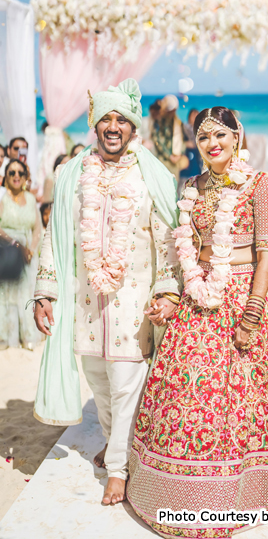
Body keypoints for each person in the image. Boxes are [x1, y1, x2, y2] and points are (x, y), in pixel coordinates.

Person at [126, 106, 268, 536]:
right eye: (204, 137)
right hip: (200, 293)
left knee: (250, 393)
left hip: (244, 291)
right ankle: (177, 490)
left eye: (221, 136)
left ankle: (245, 485)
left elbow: (267, 252)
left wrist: (254, 307)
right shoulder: (191, 187)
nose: (213, 144)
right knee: (187, 386)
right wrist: (174, 295)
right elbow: (184, 253)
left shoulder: (258, 184)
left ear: (237, 138)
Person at [32, 78, 181, 505]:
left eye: (122, 120)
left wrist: (168, 291)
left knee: (126, 382)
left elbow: (168, 237)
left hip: (132, 301)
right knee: (98, 380)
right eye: (105, 119)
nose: (113, 127)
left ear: (134, 128)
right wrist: (45, 292)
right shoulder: (72, 174)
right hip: (86, 302)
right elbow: (54, 236)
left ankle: (119, 467)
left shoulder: (151, 174)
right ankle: (121, 442)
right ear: (95, 126)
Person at [0, 160, 42, 349]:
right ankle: (7, 337)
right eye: (11, 172)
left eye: (20, 172)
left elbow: (37, 228)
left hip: (28, 254)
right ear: (6, 177)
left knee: (27, 293)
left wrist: (31, 249)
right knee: (6, 295)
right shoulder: (2, 198)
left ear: (25, 176)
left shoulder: (31, 199)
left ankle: (28, 337)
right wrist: (15, 244)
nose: (16, 176)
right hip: (6, 251)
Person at [151, 94, 187, 181]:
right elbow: (157, 141)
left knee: (174, 186)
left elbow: (183, 140)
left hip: (175, 162)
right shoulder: (158, 123)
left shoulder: (178, 123)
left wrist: (180, 154)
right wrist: (169, 156)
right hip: (163, 161)